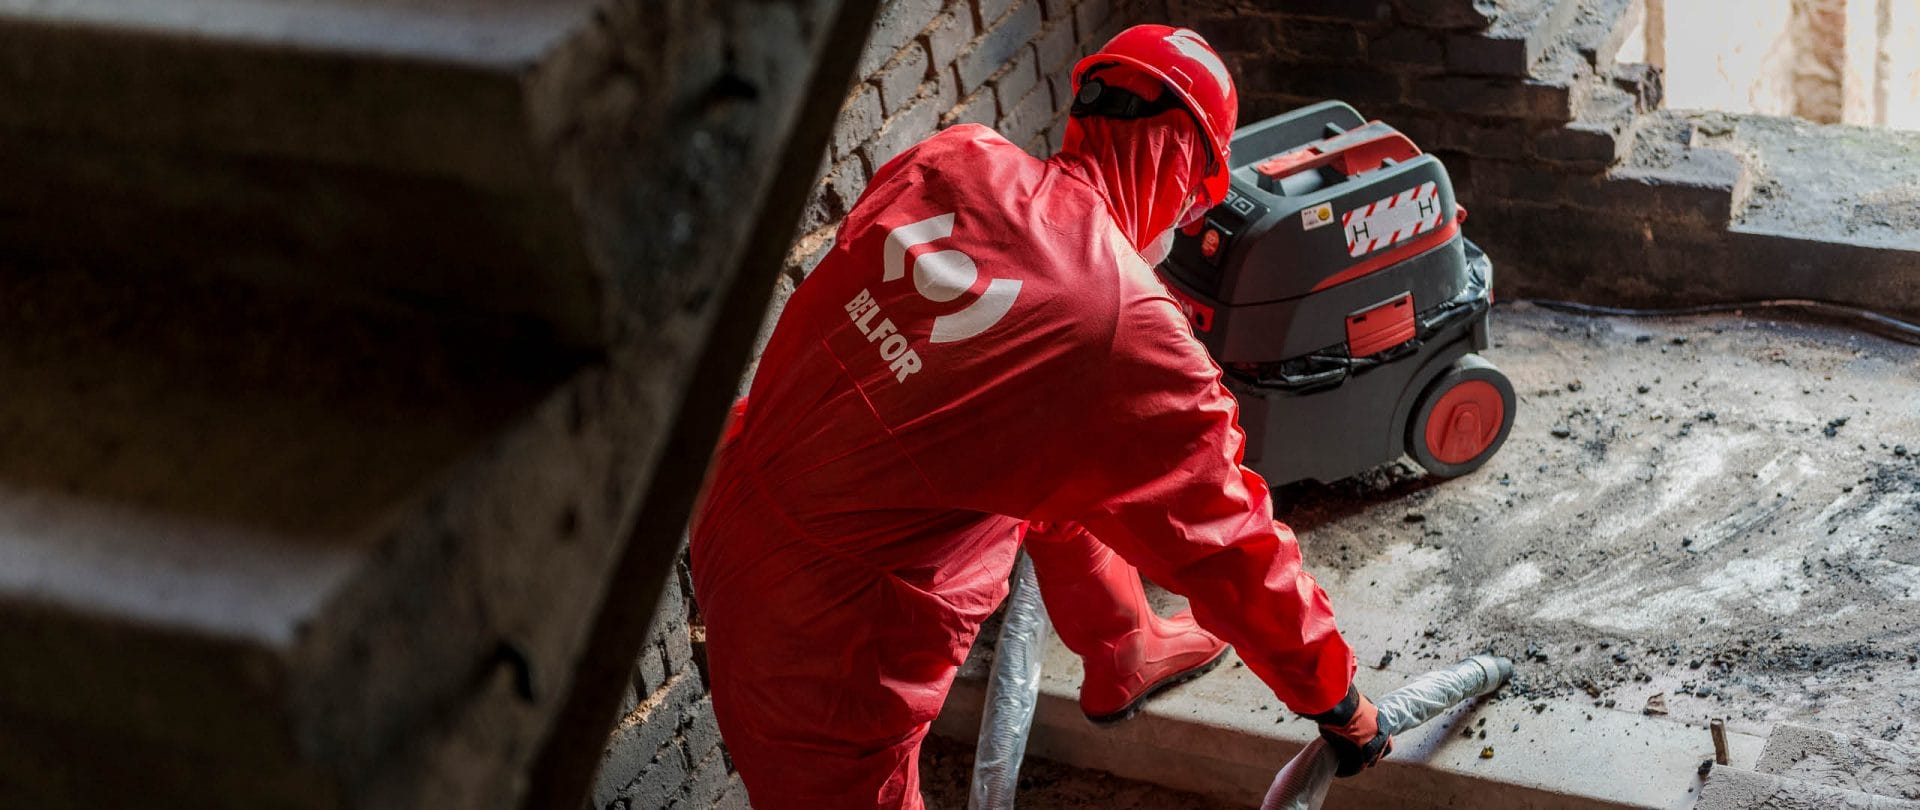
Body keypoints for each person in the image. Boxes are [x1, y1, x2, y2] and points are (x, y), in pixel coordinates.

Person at [689, 24, 1388, 809]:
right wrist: (1340, 702)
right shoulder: (1120, 323)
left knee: (1056, 453)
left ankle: (1123, 646)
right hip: (828, 646)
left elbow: (999, 398)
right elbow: (1233, 546)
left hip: (734, 495)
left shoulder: (957, 156)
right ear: (1188, 181)